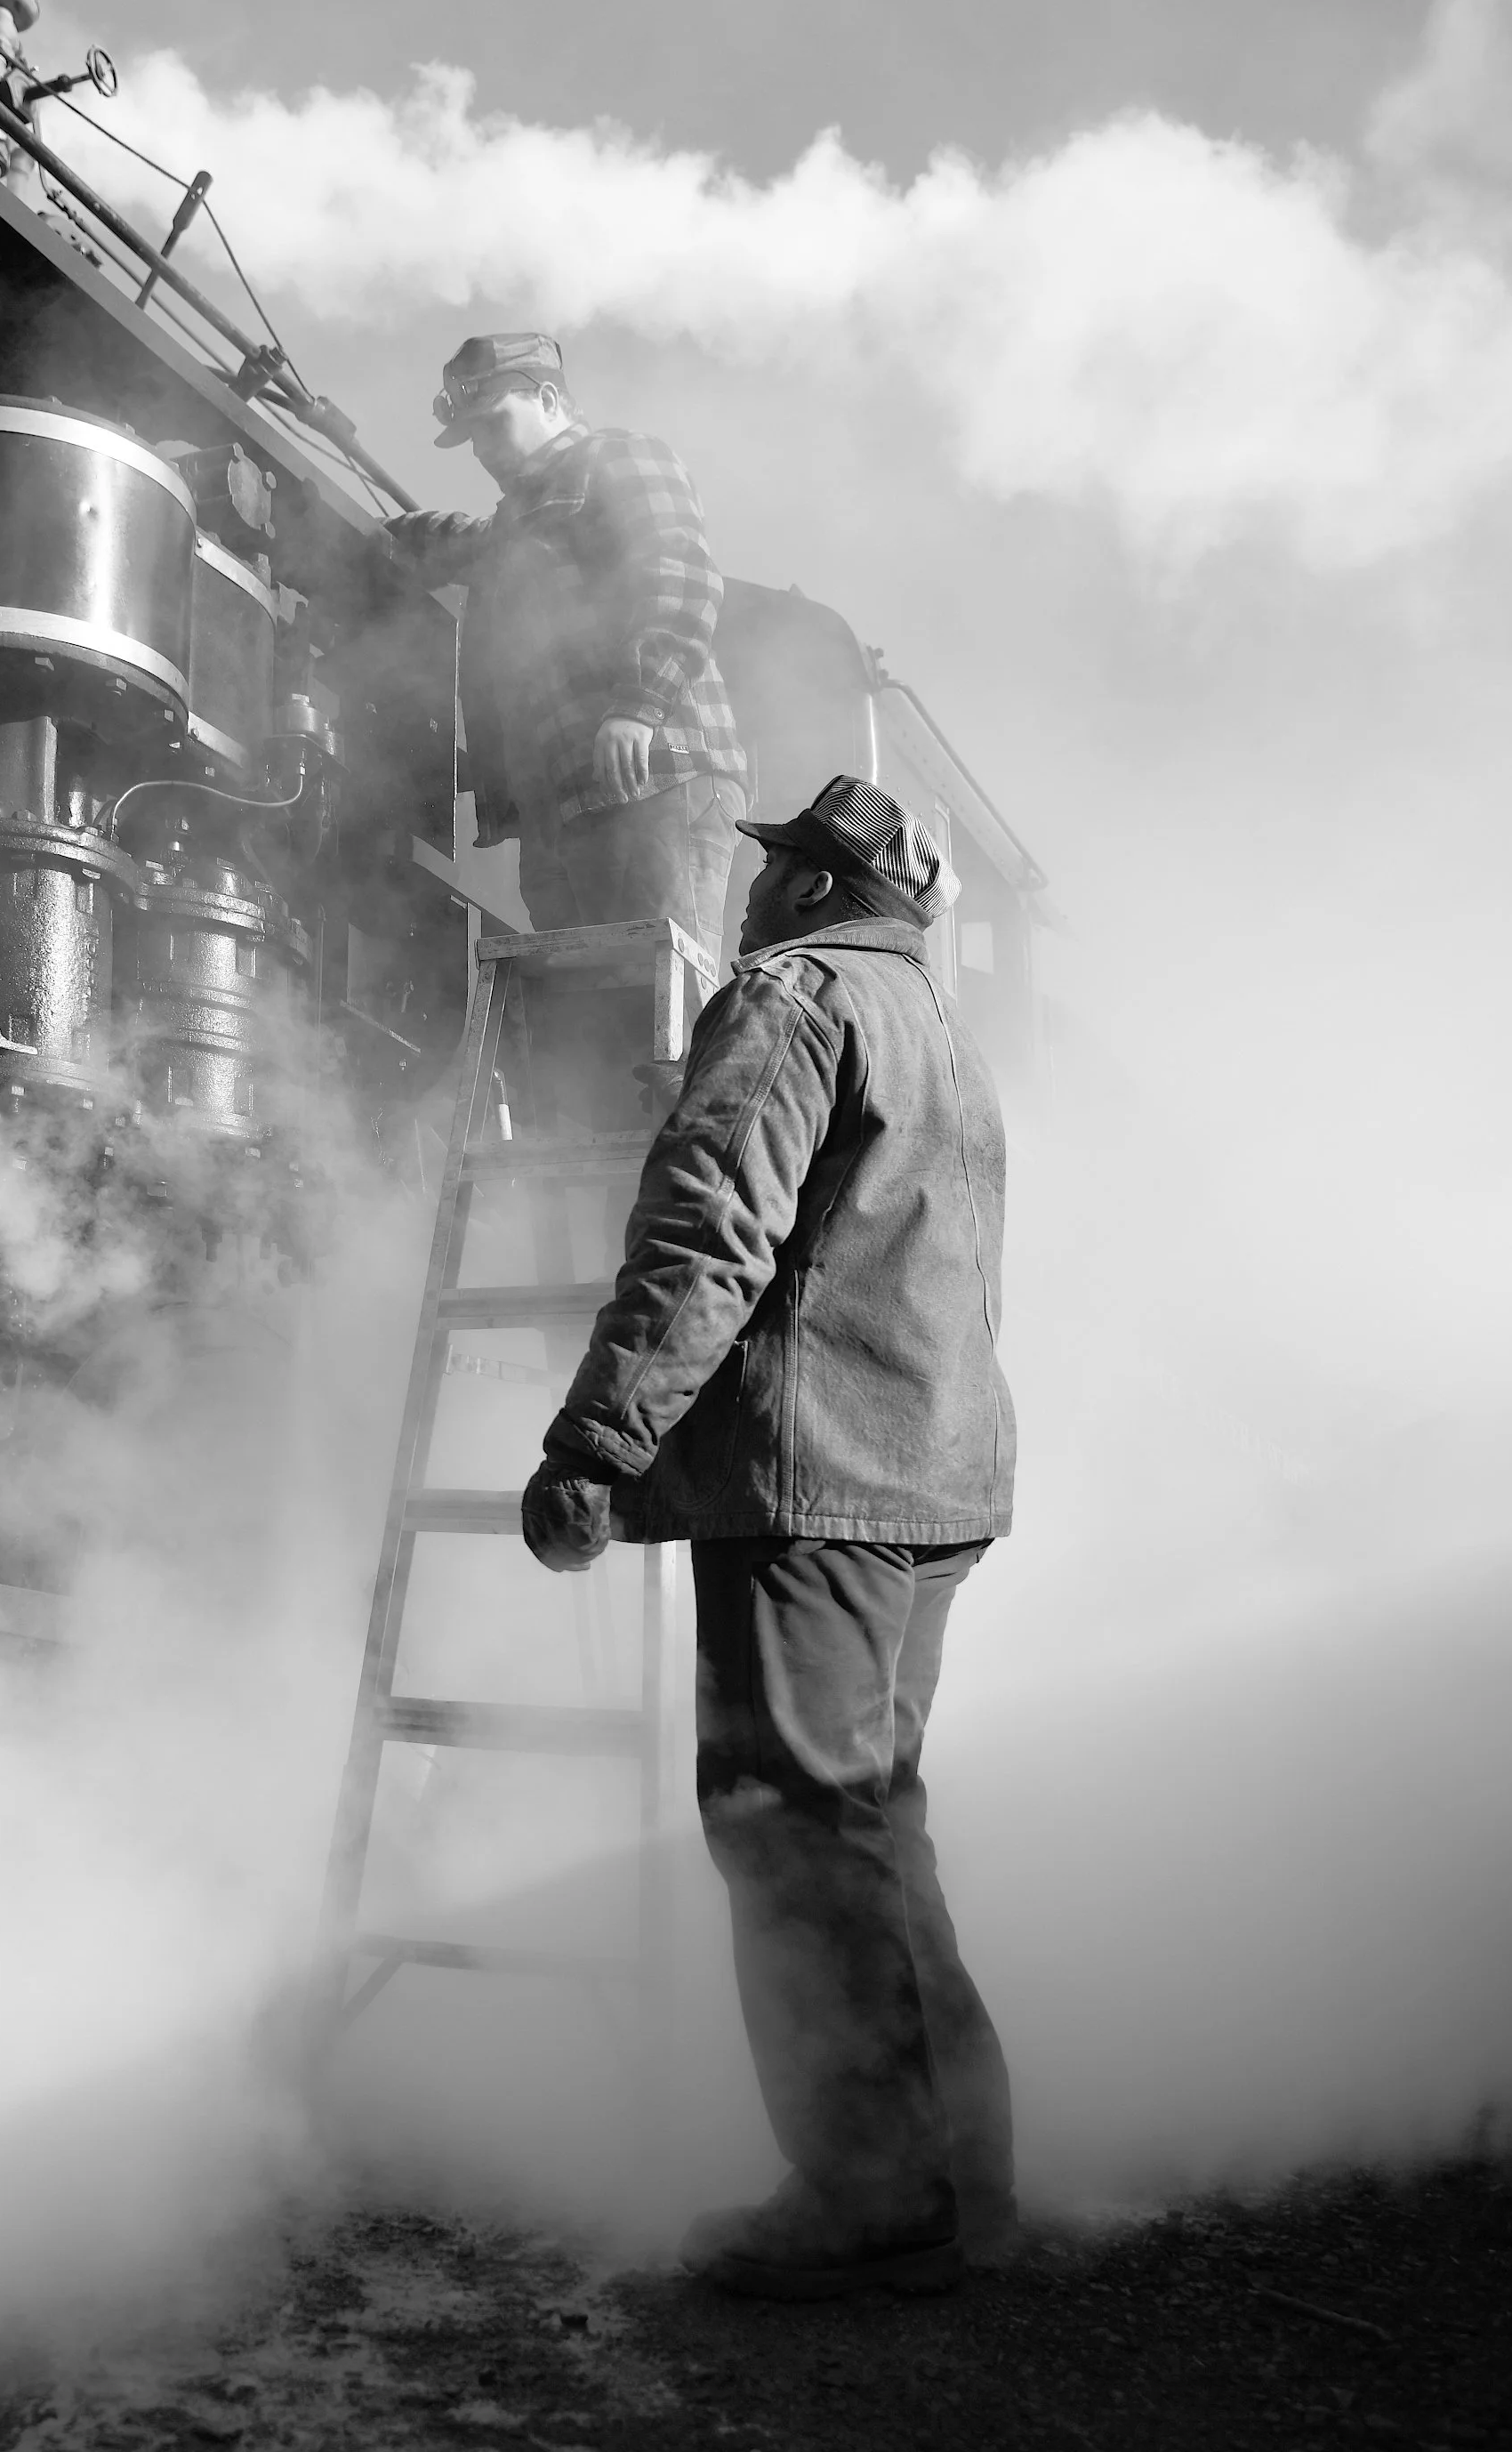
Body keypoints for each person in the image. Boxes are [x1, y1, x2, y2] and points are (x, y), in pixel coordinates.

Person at [519, 774, 1017, 2302]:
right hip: (932, 1479)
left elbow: (709, 1235)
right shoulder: (941, 1031)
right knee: (870, 1820)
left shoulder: (793, 996)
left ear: (811, 887)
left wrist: (599, 1441)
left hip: (819, 1482)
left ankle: (871, 2200)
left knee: (793, 1823)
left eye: (772, 870)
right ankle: (955, 2175)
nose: (749, 894)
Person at [384, 332, 748, 971]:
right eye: (473, 439)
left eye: (495, 424)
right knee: (594, 1019)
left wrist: (639, 705)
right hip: (567, 807)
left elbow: (680, 570)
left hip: (655, 775)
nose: (485, 451)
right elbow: (464, 541)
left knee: (663, 991)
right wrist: (388, 539)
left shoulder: (619, 457)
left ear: (549, 398)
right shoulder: (513, 523)